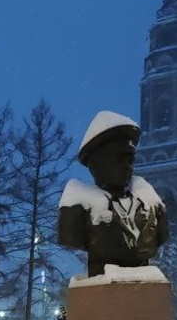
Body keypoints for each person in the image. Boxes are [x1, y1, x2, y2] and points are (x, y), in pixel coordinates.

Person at [57, 111, 168, 277]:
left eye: (130, 160)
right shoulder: (76, 207)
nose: (127, 166)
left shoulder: (152, 204)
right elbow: (70, 237)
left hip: (145, 285)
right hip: (102, 282)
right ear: (96, 164)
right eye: (119, 159)